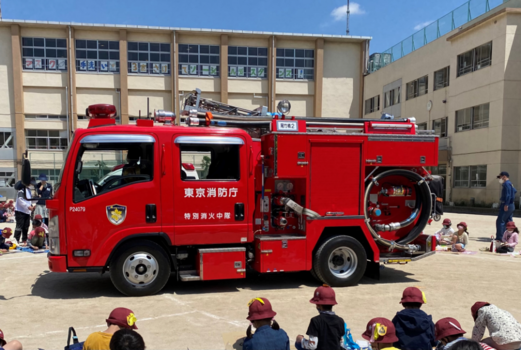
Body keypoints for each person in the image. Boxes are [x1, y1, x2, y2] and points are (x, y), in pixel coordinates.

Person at [295, 285, 345, 350]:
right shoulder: (340, 320)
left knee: (298, 344)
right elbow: (341, 342)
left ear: (318, 305)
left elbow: (312, 346)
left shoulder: (315, 320)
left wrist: (301, 340)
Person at [496, 171, 516, 241]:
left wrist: (506, 204)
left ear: (504, 176)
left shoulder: (506, 184)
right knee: (509, 221)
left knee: (500, 221)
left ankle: (500, 237)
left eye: (500, 177)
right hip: (511, 204)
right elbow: (514, 191)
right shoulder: (510, 184)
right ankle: (511, 236)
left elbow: (508, 195)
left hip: (506, 204)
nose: (500, 179)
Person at [14, 180, 34, 246]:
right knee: (19, 226)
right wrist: (28, 206)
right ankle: (16, 239)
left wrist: (31, 206)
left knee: (26, 226)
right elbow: (20, 200)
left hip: (27, 212)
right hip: (20, 211)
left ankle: (24, 239)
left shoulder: (29, 191)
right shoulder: (22, 191)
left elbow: (29, 200)